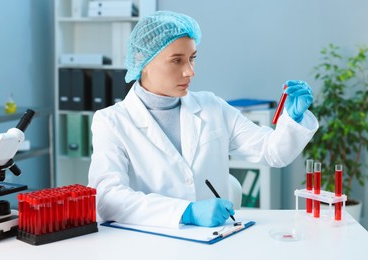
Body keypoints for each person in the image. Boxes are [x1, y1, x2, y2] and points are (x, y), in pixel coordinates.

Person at [88, 10, 318, 228]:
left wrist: (293, 119)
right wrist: (186, 212)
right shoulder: (111, 122)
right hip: (151, 243)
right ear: (142, 60)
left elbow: (272, 152)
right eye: (177, 60)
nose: (190, 71)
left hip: (215, 239)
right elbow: (108, 197)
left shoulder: (211, 107)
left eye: (192, 58)